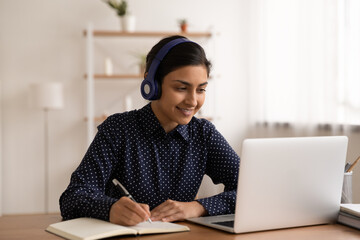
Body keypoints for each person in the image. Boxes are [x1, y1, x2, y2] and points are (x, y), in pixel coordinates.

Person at [60, 35, 240, 226]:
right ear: (152, 83)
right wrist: (110, 208)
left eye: (201, 89)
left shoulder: (204, 134)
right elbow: (72, 197)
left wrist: (197, 207)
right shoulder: (118, 130)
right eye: (181, 88)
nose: (193, 101)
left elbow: (252, 190)